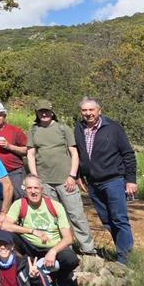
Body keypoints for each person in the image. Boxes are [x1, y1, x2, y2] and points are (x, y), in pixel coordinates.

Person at [26, 98, 96, 255]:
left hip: (66, 180)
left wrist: (72, 176)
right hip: (45, 182)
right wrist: (35, 179)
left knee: (76, 214)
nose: (44, 114)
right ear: (36, 113)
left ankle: (89, 249)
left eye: (47, 111)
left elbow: (74, 153)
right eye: (41, 111)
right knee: (54, 217)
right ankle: (65, 249)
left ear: (52, 112)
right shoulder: (33, 130)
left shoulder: (63, 129)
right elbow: (30, 154)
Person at [75, 96, 137, 264]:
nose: (88, 113)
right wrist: (79, 175)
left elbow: (128, 154)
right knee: (107, 220)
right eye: (84, 110)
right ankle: (123, 253)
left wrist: (130, 180)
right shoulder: (78, 129)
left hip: (114, 180)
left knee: (119, 219)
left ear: (99, 111)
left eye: (91, 110)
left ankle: (126, 260)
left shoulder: (113, 128)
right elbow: (79, 155)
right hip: (93, 184)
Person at [0, 175, 80, 286]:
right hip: (30, 247)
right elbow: (5, 226)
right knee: (5, 236)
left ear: (41, 189)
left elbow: (68, 238)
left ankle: (59, 277)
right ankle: (22, 271)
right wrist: (32, 231)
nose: (33, 192)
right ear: (24, 190)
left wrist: (53, 251)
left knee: (71, 258)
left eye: (36, 188)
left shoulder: (55, 206)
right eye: (29, 188)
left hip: (53, 247)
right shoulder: (19, 204)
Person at [0, 101, 29, 196]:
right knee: (2, 200)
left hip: (15, 172)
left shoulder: (15, 131)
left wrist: (9, 146)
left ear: (4, 115)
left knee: (20, 197)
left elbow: (27, 151)